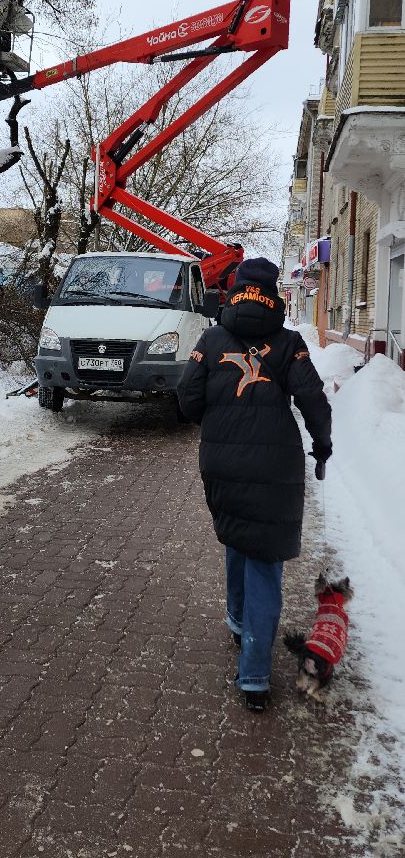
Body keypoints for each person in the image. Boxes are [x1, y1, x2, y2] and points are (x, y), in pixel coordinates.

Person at [177, 257, 332, 712]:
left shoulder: (211, 338)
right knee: (264, 558)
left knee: (237, 537)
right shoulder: (288, 344)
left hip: (221, 463)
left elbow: (187, 401)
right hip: (276, 468)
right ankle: (255, 677)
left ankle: (238, 619)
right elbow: (314, 402)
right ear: (274, 296)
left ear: (235, 291)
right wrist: (321, 446)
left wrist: (220, 421)